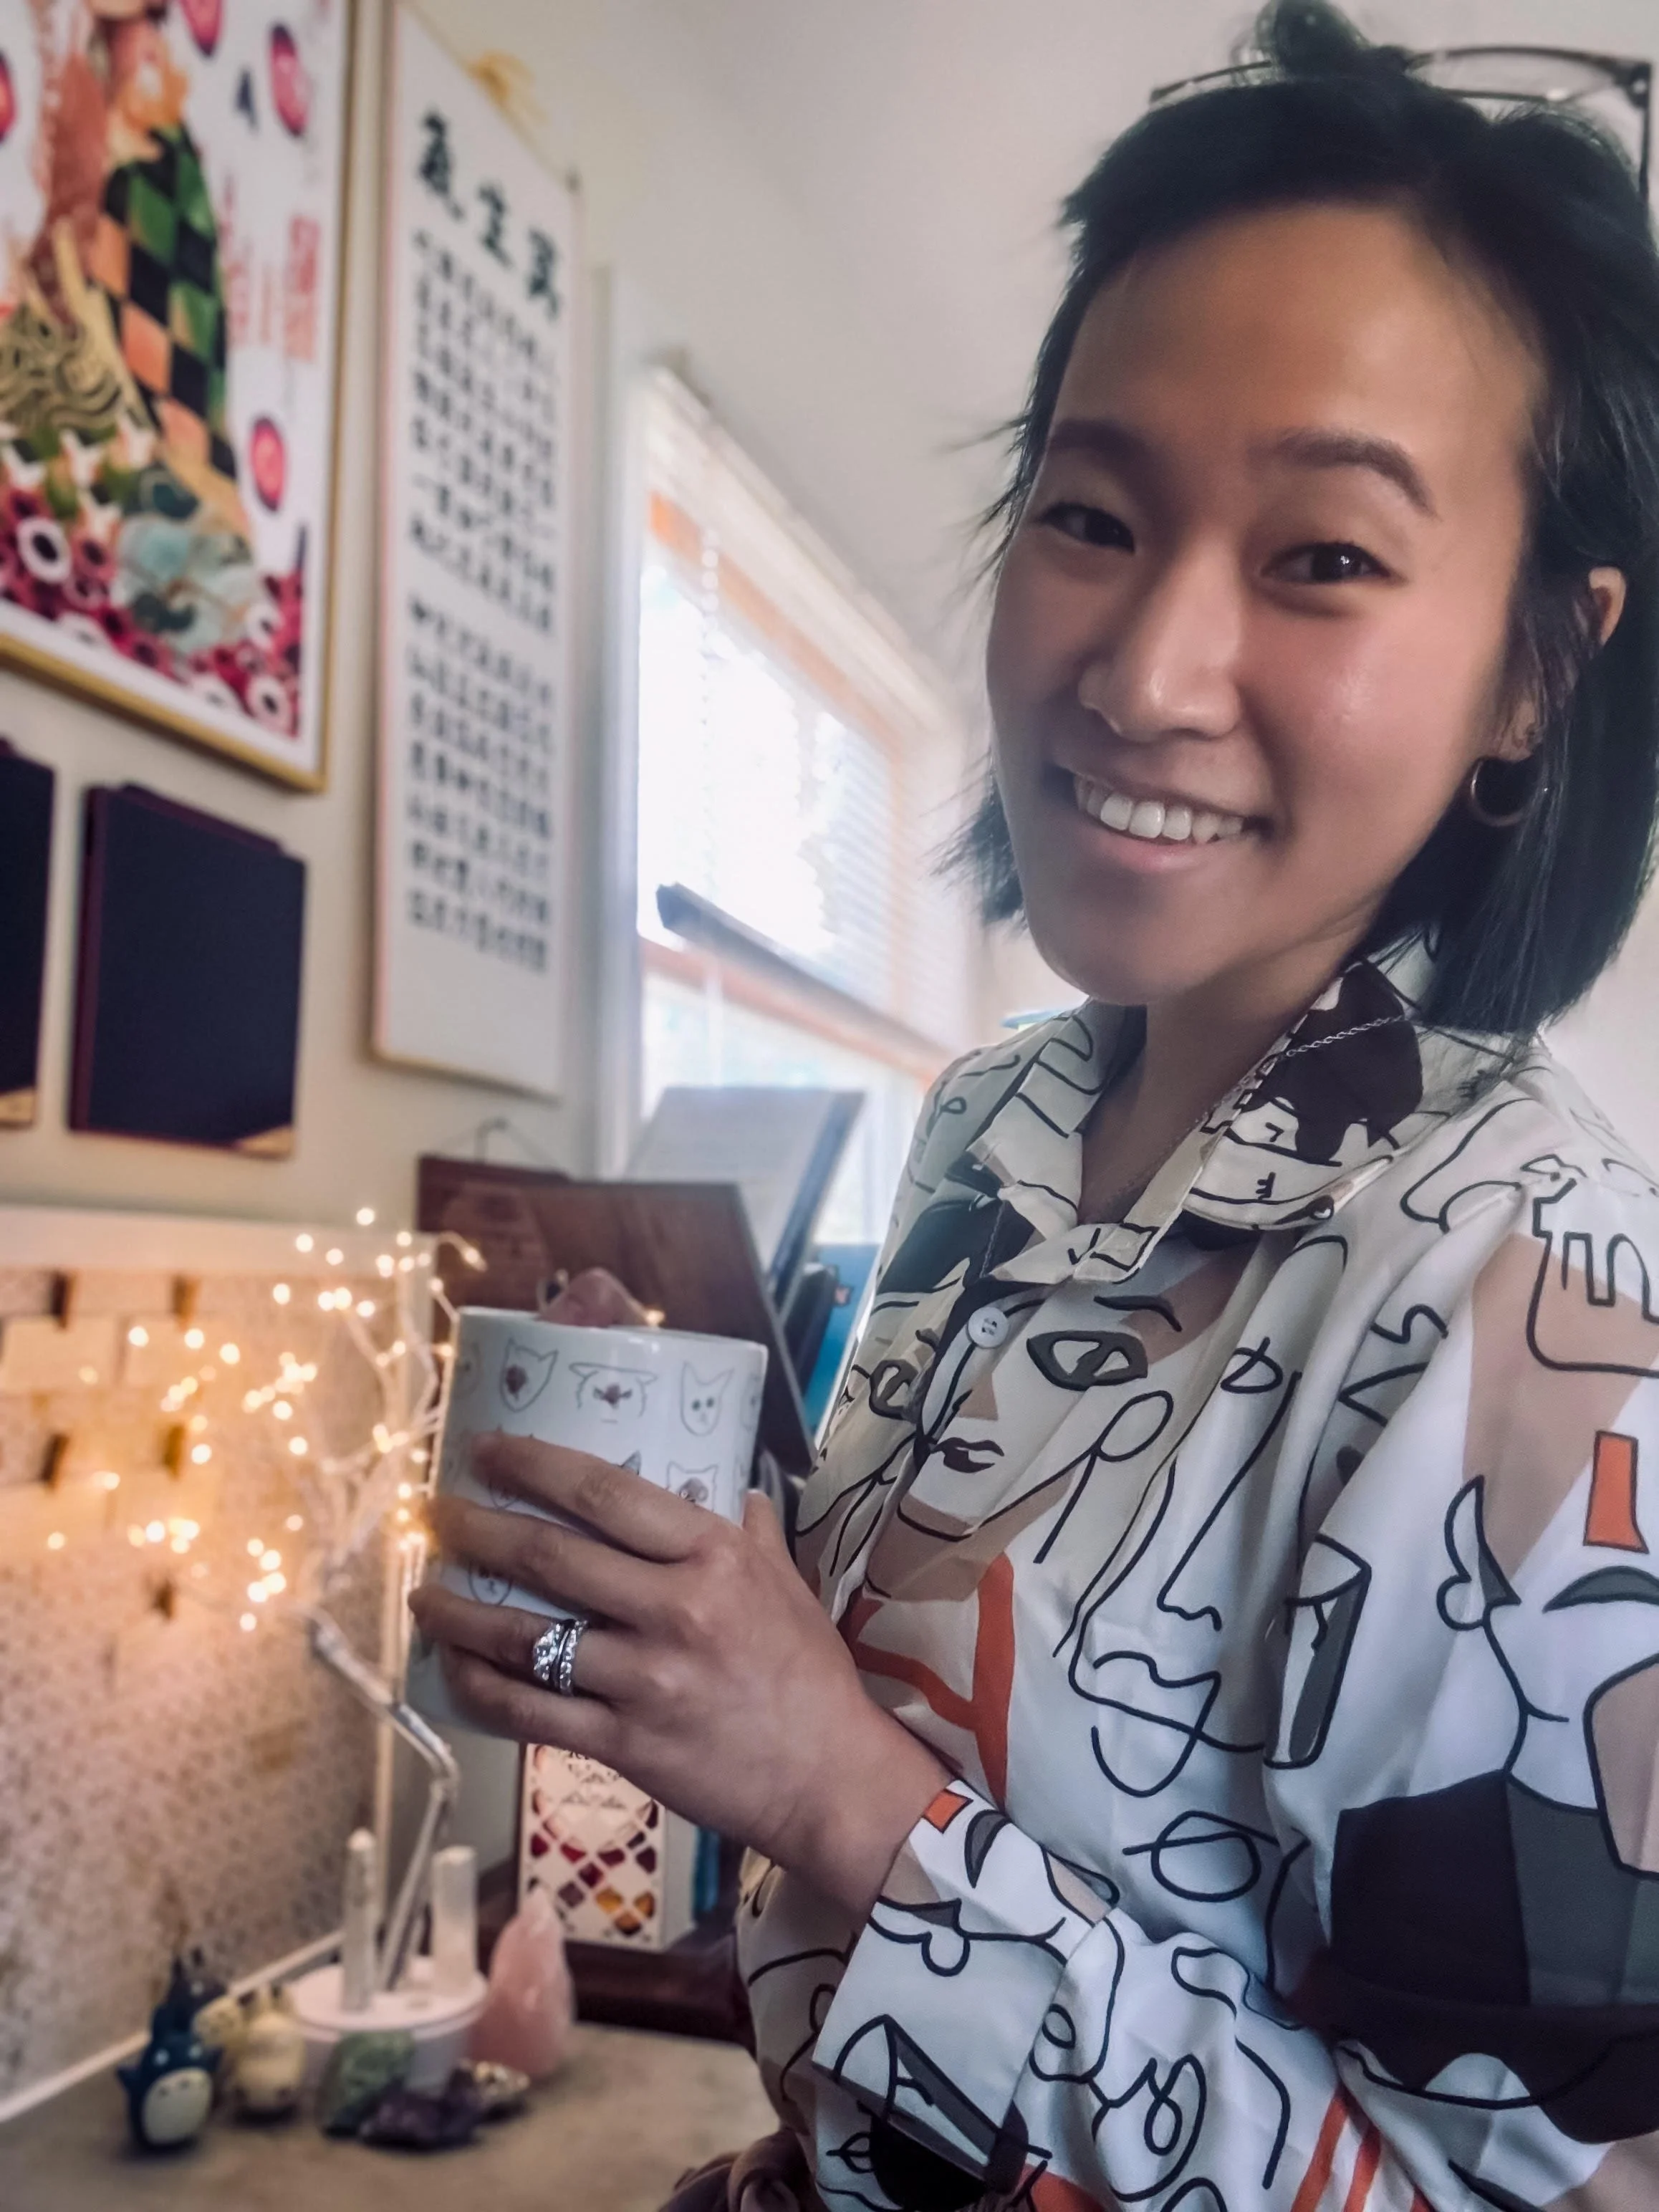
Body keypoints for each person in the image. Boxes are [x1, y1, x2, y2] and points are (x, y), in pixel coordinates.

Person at [408, 5, 1659, 2206]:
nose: (1144, 668)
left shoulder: (1531, 1291)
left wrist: (832, 1794)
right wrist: (707, 1573)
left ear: (1535, 675)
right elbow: (965, 1707)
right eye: (1092, 512)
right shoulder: (992, 1124)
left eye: (1324, 556)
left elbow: (1488, 2192)